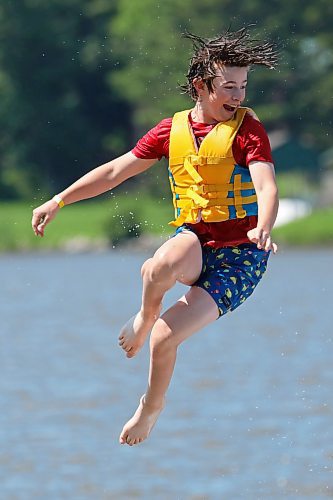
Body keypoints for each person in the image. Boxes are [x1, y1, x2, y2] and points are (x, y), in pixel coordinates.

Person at [31, 27, 279, 447]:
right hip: (198, 242)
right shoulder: (170, 131)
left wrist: (265, 224)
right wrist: (59, 200)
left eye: (243, 86)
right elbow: (114, 171)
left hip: (241, 257)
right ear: (201, 86)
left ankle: (151, 406)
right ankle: (145, 314)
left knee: (166, 337)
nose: (238, 96)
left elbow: (266, 186)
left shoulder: (248, 132)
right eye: (229, 86)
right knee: (158, 264)